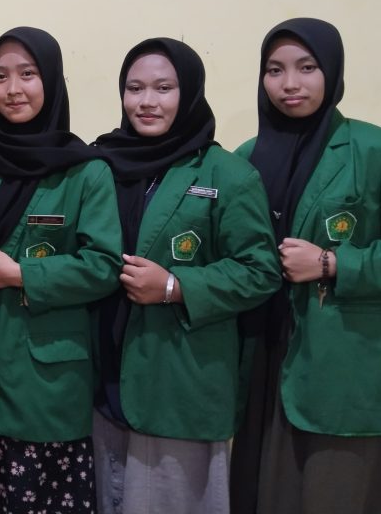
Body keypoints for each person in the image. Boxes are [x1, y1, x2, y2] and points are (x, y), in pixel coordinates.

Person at [230, 18, 381, 514]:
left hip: (344, 361)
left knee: (338, 490)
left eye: (307, 68)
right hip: (262, 356)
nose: (289, 83)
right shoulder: (246, 158)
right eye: (274, 70)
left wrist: (331, 263)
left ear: (332, 70)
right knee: (263, 493)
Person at [0, 26, 122, 514]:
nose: (12, 89)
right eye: (0, 76)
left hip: (48, 381)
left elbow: (104, 266)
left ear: (52, 81)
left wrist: (23, 275)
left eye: (27, 74)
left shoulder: (86, 171)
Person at [91, 37, 281, 514]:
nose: (146, 101)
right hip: (102, 375)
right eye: (135, 88)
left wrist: (175, 287)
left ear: (190, 92)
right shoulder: (100, 164)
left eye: (164, 88)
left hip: (180, 375)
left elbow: (260, 271)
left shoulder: (228, 174)